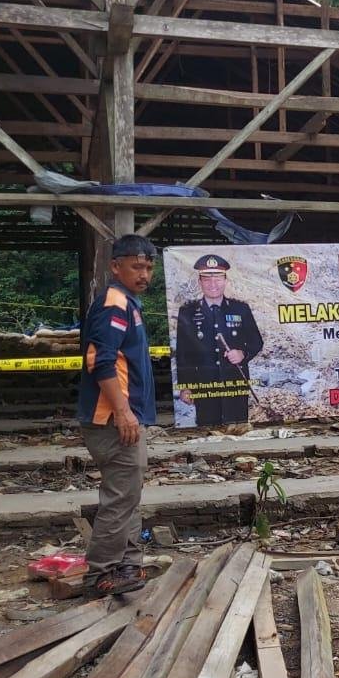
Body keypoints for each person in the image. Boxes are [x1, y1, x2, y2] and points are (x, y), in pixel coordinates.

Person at [77, 235, 159, 597]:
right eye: (136, 267)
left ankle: (127, 566)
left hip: (126, 417)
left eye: (149, 267)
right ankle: (100, 575)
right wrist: (123, 412)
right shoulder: (114, 303)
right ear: (115, 266)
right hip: (113, 419)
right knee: (121, 496)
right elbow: (101, 361)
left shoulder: (128, 303)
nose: (144, 274)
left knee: (128, 494)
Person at [175, 254, 263, 425]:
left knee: (238, 430)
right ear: (200, 282)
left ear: (225, 281)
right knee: (208, 429)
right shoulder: (187, 312)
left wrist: (243, 353)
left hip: (235, 384)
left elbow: (256, 342)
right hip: (205, 386)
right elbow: (183, 354)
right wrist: (185, 386)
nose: (213, 284)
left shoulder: (241, 309)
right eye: (207, 279)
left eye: (217, 279)